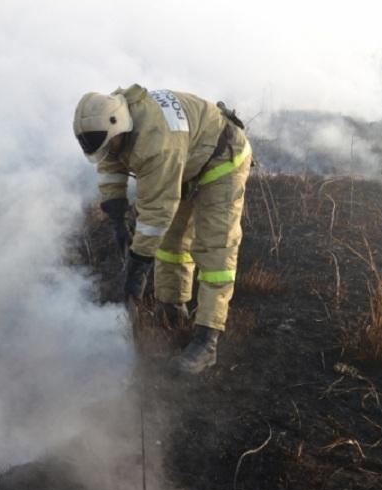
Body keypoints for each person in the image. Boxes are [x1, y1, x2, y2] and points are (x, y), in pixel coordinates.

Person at [73, 84, 252, 374]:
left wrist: (138, 267)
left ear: (120, 129)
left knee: (215, 250)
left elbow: (157, 213)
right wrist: (117, 215)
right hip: (186, 160)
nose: (107, 152)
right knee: (172, 243)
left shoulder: (154, 142)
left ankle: (207, 340)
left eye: (109, 145)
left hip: (222, 159)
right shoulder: (113, 124)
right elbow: (110, 164)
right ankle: (172, 306)